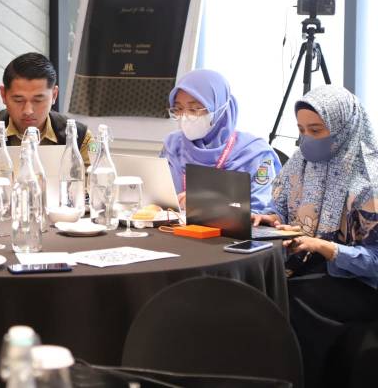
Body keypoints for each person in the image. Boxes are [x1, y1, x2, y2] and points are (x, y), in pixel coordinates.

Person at [252, 86, 378, 387]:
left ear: (343, 127)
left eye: (316, 130)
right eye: (301, 130)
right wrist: (273, 220)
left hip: (359, 281)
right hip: (309, 263)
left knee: (291, 300)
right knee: (260, 289)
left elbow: (375, 262)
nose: (307, 138)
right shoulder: (300, 162)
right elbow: (281, 208)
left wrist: (326, 247)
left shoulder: (368, 182)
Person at [160, 69, 281, 211]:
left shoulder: (255, 153)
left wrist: (208, 204)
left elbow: (261, 211)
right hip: (171, 224)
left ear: (219, 107)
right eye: (179, 109)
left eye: (194, 109)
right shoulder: (173, 145)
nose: (185, 117)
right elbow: (159, 195)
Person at [0, 52, 92, 169]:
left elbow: (93, 184)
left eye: (38, 100)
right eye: (18, 100)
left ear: (54, 95)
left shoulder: (80, 136)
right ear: (3, 95)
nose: (28, 110)